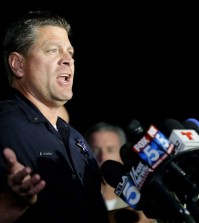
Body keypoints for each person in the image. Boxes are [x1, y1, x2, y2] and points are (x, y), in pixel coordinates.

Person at [0, 11, 110, 223]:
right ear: (18, 65)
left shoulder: (76, 139)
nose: (68, 60)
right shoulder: (6, 128)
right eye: (52, 50)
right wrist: (8, 205)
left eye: (70, 53)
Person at [85, 122, 157, 223]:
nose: (103, 156)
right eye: (95, 150)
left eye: (110, 150)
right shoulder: (79, 198)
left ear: (122, 155)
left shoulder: (143, 199)